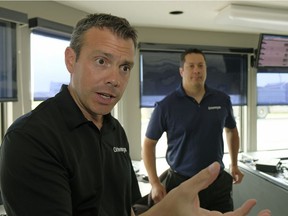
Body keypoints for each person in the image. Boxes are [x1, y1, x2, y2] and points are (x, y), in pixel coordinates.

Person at [0, 13, 270, 216]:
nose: (115, 79)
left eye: (125, 67)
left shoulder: (114, 130)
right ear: (71, 60)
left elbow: (126, 211)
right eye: (102, 61)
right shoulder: (30, 139)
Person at [142, 48, 244, 213]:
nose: (197, 70)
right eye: (191, 66)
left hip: (217, 182)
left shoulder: (222, 99)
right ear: (182, 71)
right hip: (182, 184)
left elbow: (232, 130)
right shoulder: (166, 106)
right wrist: (154, 183)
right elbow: (148, 144)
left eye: (200, 66)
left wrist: (234, 164)